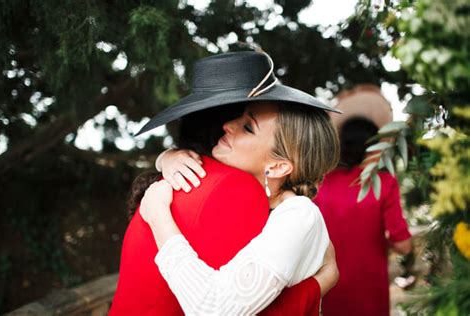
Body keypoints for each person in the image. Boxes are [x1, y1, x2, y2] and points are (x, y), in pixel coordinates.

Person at [110, 51, 340, 315]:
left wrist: (158, 213)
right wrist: (167, 158)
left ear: (278, 166)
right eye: (239, 116)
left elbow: (214, 309)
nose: (228, 125)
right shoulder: (242, 198)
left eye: (248, 127)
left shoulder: (299, 215)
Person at [314, 85, 412, 316]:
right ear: (374, 146)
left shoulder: (322, 183)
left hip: (330, 287)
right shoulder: (384, 183)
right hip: (370, 287)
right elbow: (403, 244)